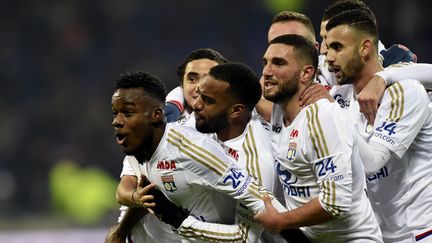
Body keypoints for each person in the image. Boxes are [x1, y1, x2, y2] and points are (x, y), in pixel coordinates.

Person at [111, 71, 287, 242]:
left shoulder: (194, 150)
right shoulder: (140, 145)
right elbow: (139, 191)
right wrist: (121, 231)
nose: (116, 121)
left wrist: (181, 222)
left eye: (127, 113)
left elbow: (248, 235)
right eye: (115, 113)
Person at [255, 34, 383, 242]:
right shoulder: (279, 111)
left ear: (306, 73)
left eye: (278, 63)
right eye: (265, 62)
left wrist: (281, 221)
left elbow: (335, 202)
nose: (267, 71)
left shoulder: (321, 118)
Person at [325, 9, 432, 242]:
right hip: (383, 235)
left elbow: (373, 163)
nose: (328, 57)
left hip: (422, 232)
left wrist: (330, 113)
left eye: (337, 47)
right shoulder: (344, 100)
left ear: (365, 48)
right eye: (326, 46)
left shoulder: (405, 91)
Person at [164, 48, 228, 122]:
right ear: (182, 85)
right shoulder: (164, 122)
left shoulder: (241, 122)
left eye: (210, 79)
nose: (199, 87)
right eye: (192, 79)